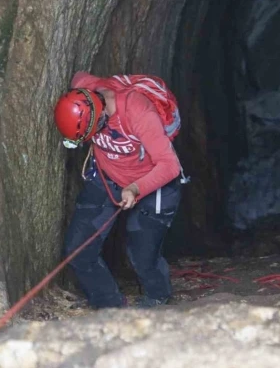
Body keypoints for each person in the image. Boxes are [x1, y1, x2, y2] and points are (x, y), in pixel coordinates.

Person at [53, 71, 183, 309]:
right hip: (107, 177)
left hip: (152, 180)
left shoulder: (138, 111)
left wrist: (135, 188)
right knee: (78, 249)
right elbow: (78, 76)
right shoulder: (84, 88)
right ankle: (110, 307)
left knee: (142, 255)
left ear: (100, 116)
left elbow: (170, 165)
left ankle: (158, 297)